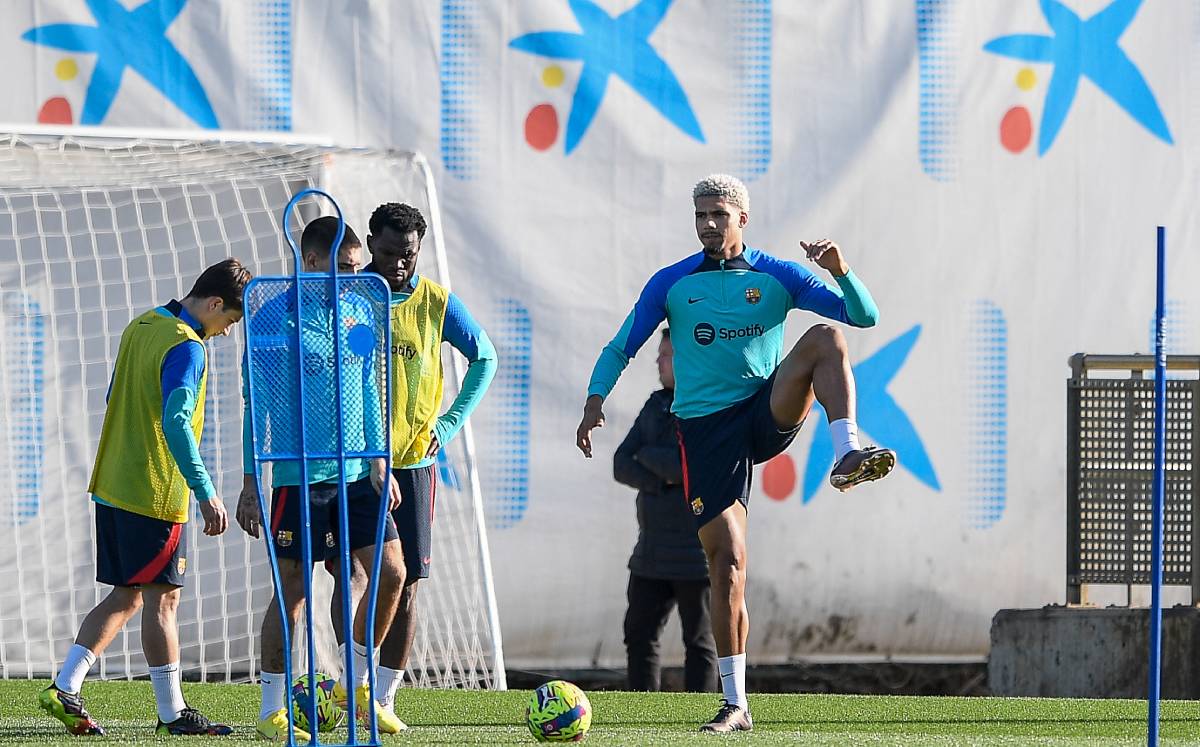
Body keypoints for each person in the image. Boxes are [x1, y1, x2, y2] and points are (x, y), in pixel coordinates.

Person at [576, 174, 896, 733]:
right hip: (704, 431)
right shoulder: (673, 283)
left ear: (741, 219)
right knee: (728, 563)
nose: (707, 224)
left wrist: (841, 270)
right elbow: (621, 344)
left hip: (764, 409)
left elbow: (862, 317)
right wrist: (594, 401)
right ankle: (736, 703)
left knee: (826, 338)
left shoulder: (777, 274)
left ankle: (847, 449)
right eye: (700, 215)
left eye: (718, 214)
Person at [38, 259, 251, 737]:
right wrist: (206, 491)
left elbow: (117, 394)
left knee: (129, 595)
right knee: (164, 599)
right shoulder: (188, 347)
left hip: (113, 483)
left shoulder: (142, 324)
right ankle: (173, 713)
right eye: (230, 322)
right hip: (153, 492)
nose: (226, 333)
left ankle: (65, 685)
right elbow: (175, 422)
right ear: (215, 304)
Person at [234, 217, 406, 741]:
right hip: (298, 477)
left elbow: (372, 388)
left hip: (359, 473)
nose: (354, 276)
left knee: (392, 574)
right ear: (310, 262)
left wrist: (381, 459)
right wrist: (249, 482)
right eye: (344, 267)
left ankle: (357, 687)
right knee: (295, 595)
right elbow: (253, 405)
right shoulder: (274, 319)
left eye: (358, 268)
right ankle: (270, 710)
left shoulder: (359, 308)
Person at [331, 202, 497, 726]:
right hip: (353, 462)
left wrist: (446, 426)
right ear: (370, 246)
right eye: (385, 253)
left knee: (408, 582)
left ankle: (382, 698)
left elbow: (485, 358)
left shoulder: (436, 303)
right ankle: (349, 681)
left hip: (410, 463)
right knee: (353, 572)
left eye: (406, 255)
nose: (397, 265)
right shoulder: (348, 296)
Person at [614, 327, 717, 693]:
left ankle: (703, 716)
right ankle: (644, 712)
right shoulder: (655, 404)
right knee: (639, 635)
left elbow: (688, 468)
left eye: (667, 356)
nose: (659, 362)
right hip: (651, 552)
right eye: (660, 355)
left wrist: (653, 459)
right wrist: (663, 477)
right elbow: (621, 463)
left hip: (695, 555)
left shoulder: (707, 407)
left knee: (701, 642)